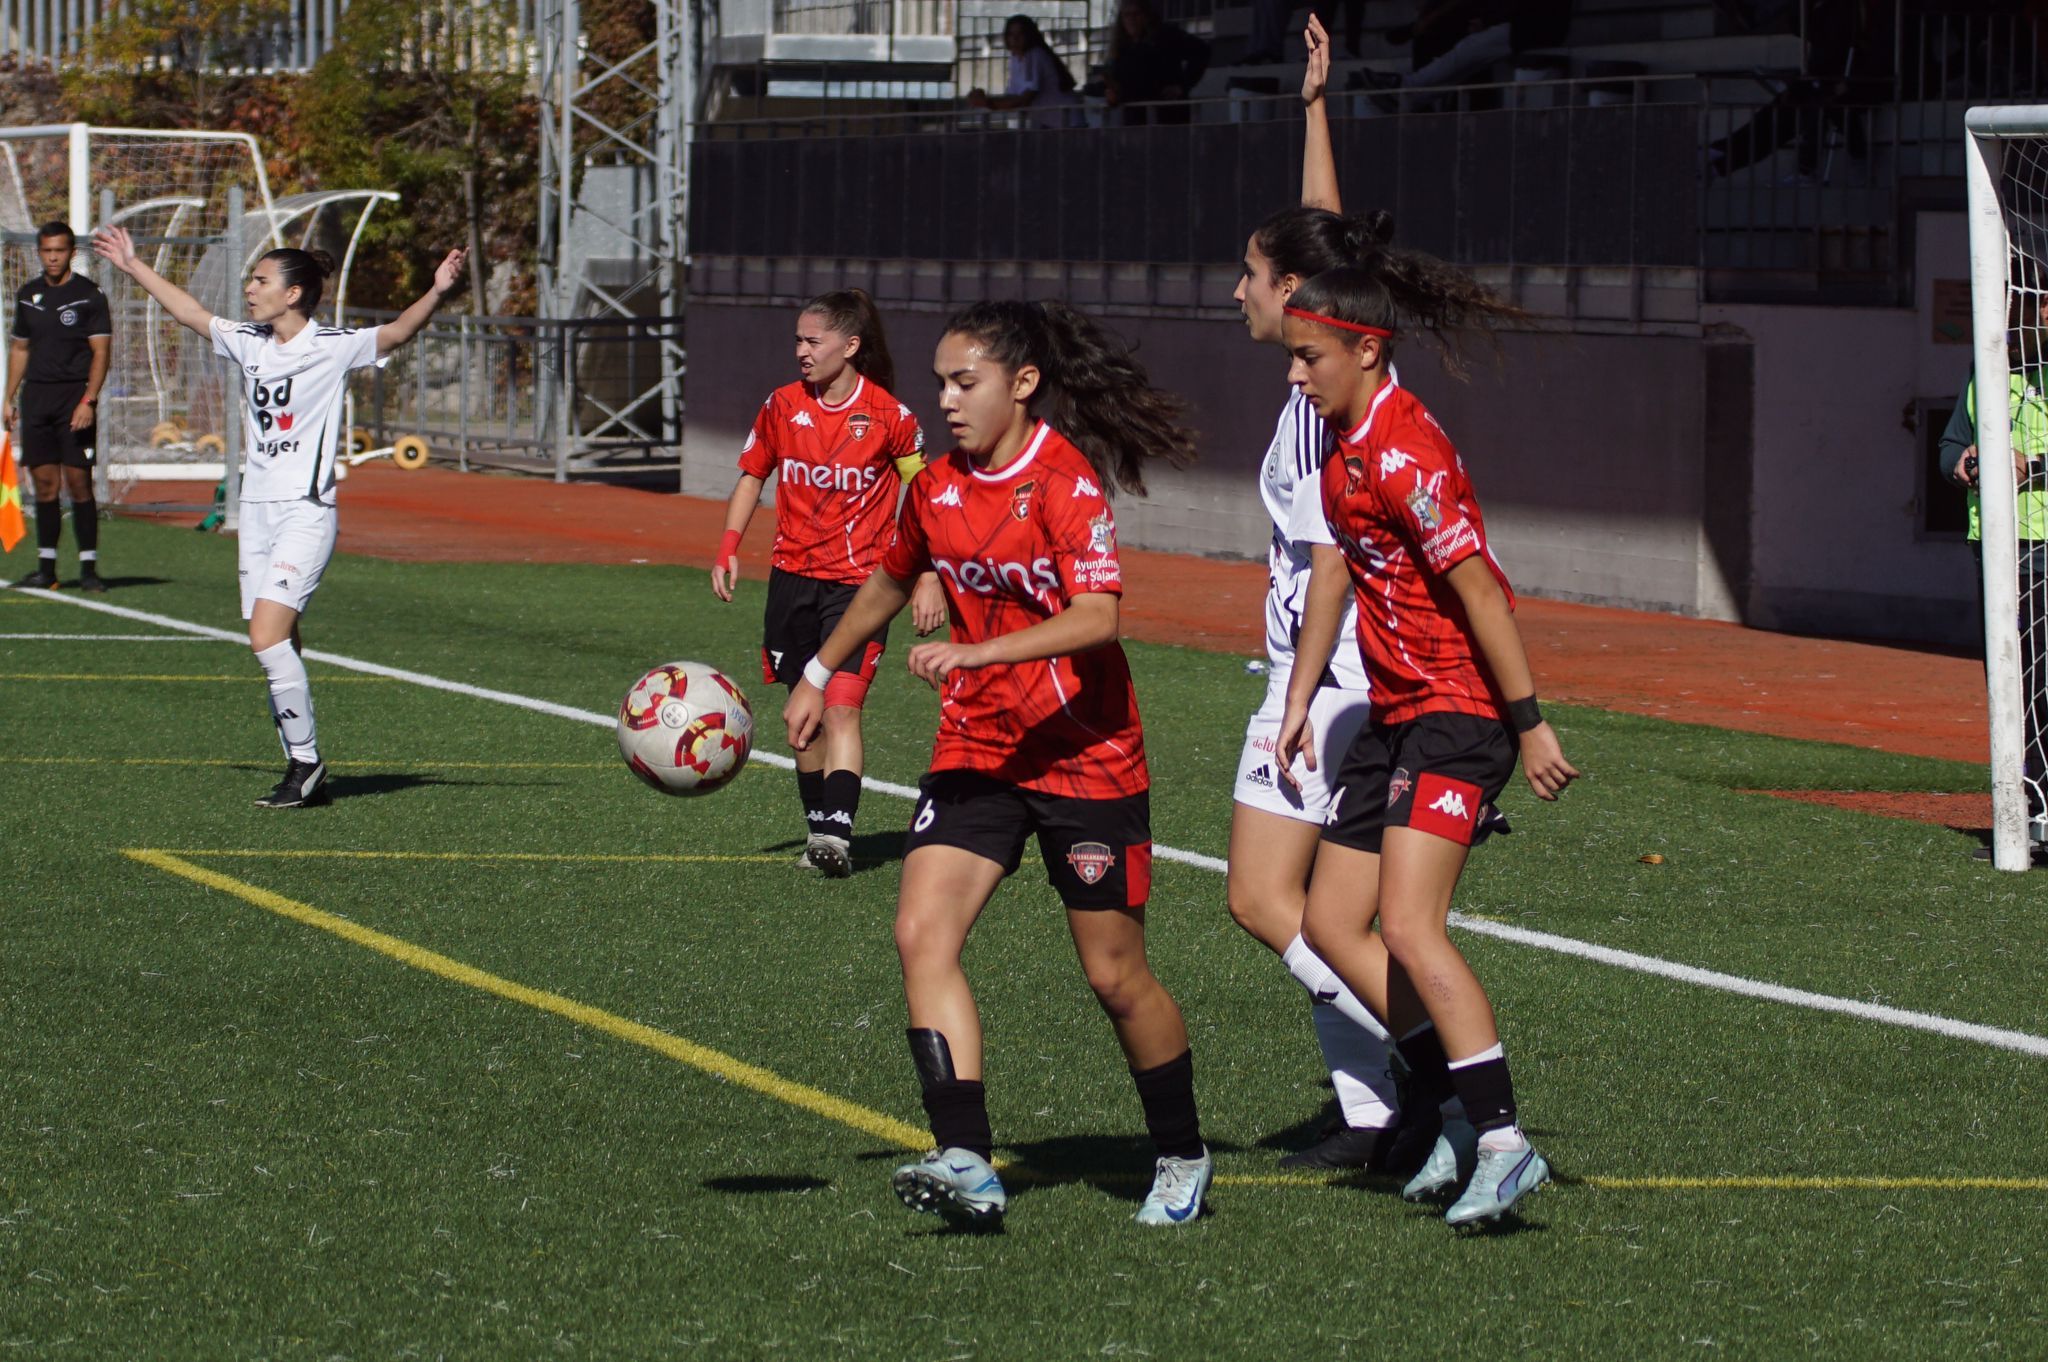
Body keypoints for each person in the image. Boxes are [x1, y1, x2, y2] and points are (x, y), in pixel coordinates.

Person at [783, 299, 1210, 1229]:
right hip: (977, 749)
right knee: (920, 933)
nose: (946, 399)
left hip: (1086, 754)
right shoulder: (934, 486)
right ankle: (968, 1157)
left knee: (1113, 976)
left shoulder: (1065, 482)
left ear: (1021, 384)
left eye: (964, 381)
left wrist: (980, 653)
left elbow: (1099, 617)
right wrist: (820, 670)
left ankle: (1181, 1152)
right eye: (939, 382)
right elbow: (893, 578)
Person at [1276, 258, 1578, 1226]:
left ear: (1366, 351)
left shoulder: (1403, 451)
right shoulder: (1335, 447)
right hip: (1393, 713)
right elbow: (1331, 576)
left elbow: (1479, 589)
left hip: (1455, 714)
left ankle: (1501, 1141)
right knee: (1327, 924)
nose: (1294, 375)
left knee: (1408, 926)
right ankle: (1448, 1106)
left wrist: (1525, 723)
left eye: (1308, 357)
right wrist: (1298, 696)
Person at [92, 226, 466, 808]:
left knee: (264, 638)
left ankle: (306, 764)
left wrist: (437, 290)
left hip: (305, 513)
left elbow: (395, 332)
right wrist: (133, 266)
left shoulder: (333, 344)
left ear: (293, 294)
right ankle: (300, 760)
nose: (250, 288)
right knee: (281, 639)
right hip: (257, 513)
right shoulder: (249, 340)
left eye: (261, 280)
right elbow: (190, 312)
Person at [1224, 16, 1409, 1172]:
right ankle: (1382, 1107)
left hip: (1330, 681)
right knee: (1287, 908)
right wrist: (1310, 108)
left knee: (1272, 903)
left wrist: (1296, 695)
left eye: (1248, 273)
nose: (1234, 289)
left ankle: (1432, 1071)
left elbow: (1335, 560)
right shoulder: (1308, 389)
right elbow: (1328, 237)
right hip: (1314, 674)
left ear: (1292, 293)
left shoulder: (1330, 401)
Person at [711, 290, 944, 878]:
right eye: (798, 340)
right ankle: (820, 830)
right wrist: (728, 547)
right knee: (800, 717)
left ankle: (837, 837)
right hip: (791, 582)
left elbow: (924, 496)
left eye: (813, 341)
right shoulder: (782, 406)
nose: (802, 352)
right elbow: (750, 477)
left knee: (840, 709)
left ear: (851, 345)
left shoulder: (892, 417)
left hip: (860, 588)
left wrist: (926, 572)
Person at [1940, 358, 2048, 847]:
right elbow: (1947, 446)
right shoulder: (1988, 367)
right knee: (2013, 690)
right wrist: (1961, 462)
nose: (2038, 306)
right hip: (2000, 550)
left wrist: (2032, 466)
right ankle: (2029, 811)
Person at [6, 222, 110, 591]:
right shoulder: (27, 295)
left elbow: (101, 353)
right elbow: (20, 349)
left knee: (79, 483)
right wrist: (9, 397)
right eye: (47, 251)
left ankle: (89, 569)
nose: (53, 257)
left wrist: (88, 399)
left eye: (60, 251)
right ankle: (46, 568)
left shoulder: (89, 295)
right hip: (36, 399)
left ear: (71, 253)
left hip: (73, 399)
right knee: (44, 486)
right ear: (39, 252)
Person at [1103, 0, 1210, 125]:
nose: (1131, 20)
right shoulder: (1122, 48)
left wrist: (1183, 86)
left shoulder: (1166, 36)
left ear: (1146, 16)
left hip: (1168, 114)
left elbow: (1201, 51)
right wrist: (1114, 96)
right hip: (1136, 118)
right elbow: (1122, 84)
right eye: (1126, 15)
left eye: (1136, 14)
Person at [966, 15, 1080, 129]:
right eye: (1011, 34)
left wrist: (988, 103)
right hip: (1050, 122)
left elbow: (1024, 100)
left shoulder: (1035, 55)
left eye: (1020, 34)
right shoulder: (1015, 59)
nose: (1015, 39)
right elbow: (1013, 96)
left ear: (1029, 36)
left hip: (1067, 122)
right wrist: (987, 101)